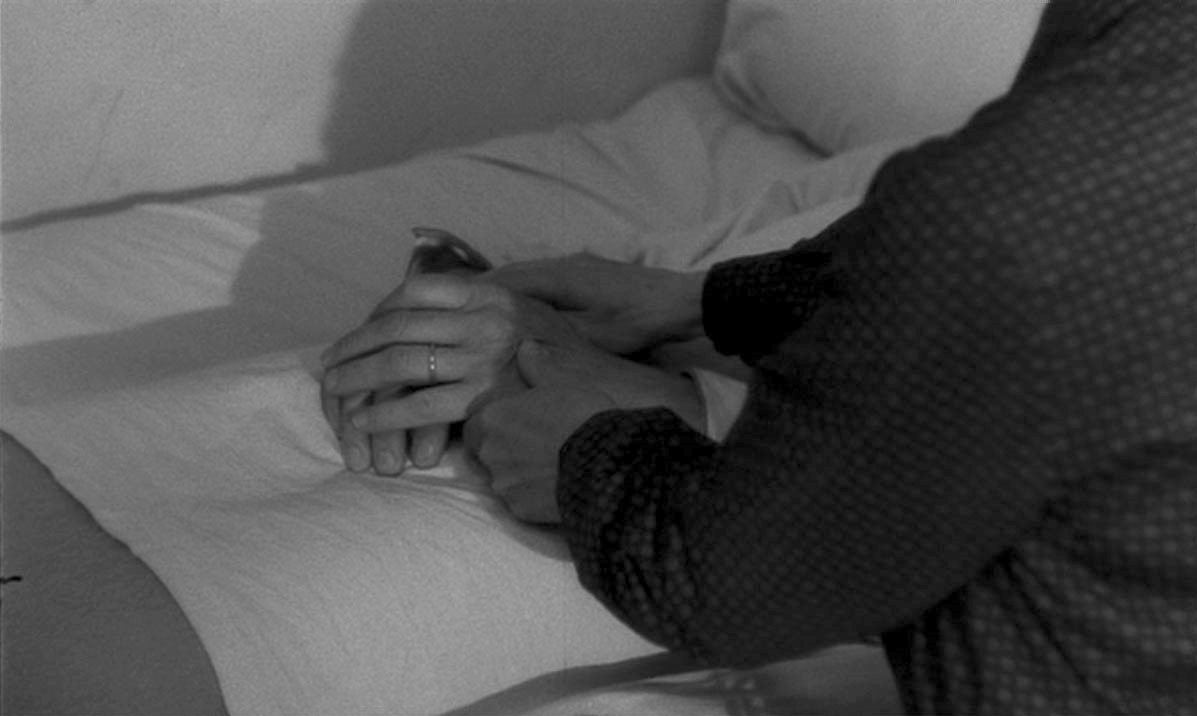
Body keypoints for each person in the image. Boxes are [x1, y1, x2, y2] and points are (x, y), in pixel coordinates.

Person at [320, 0, 1197, 712]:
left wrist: (586, 448)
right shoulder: (1088, 140)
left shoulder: (1012, 211)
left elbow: (729, 583)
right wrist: (704, 300)